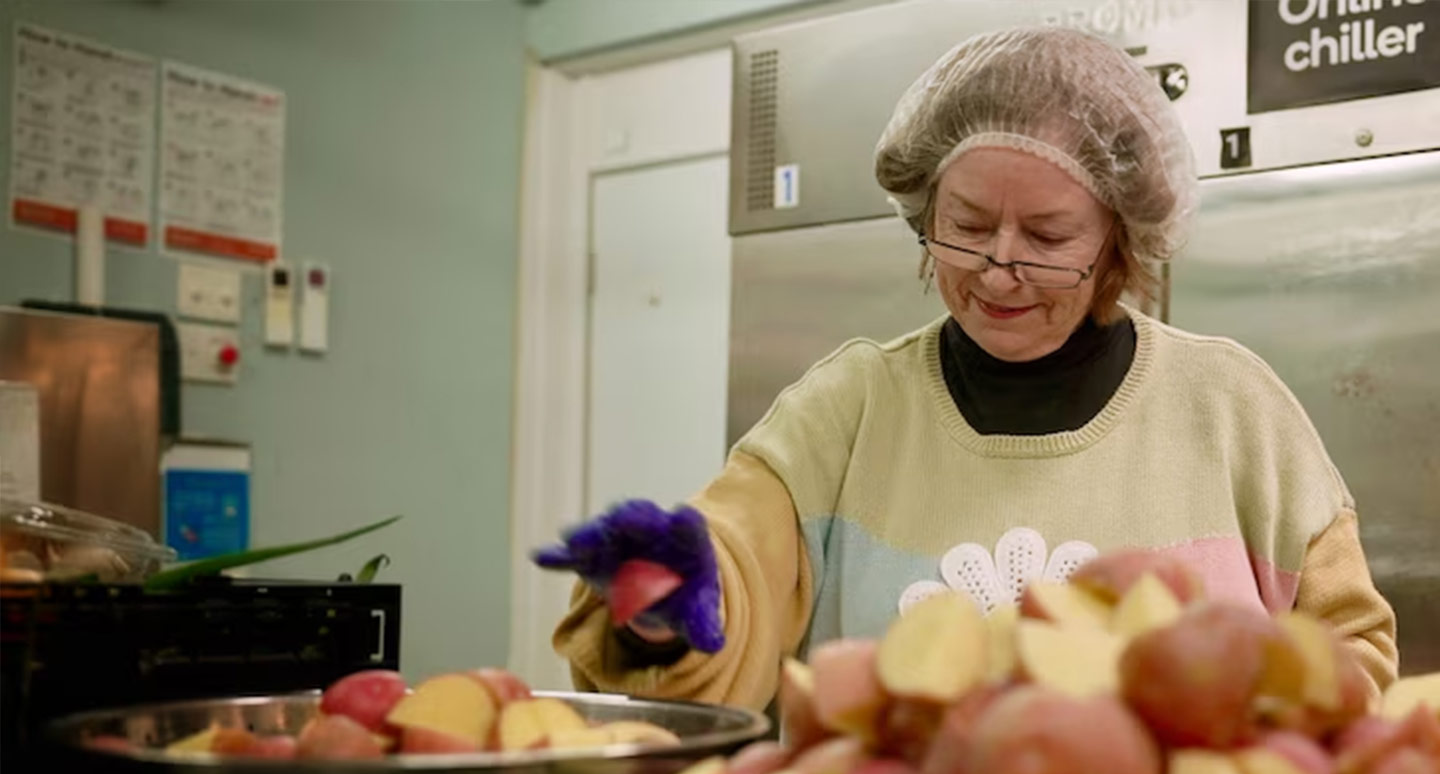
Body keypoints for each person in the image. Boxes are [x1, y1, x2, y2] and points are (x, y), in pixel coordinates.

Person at [535, 25, 1397, 712]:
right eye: (968, 225)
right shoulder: (848, 410)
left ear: (1118, 244)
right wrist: (669, 599)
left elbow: (1350, 652)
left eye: (1050, 237)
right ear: (923, 209)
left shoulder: (1233, 409)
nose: (997, 268)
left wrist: (1261, 711)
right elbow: (736, 572)